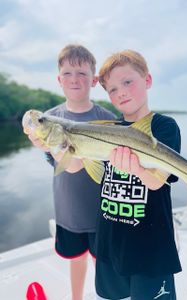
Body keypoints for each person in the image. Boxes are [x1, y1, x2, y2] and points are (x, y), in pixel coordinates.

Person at [23, 44, 115, 300]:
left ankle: (105, 296)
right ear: (59, 79)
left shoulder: (107, 119)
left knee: (102, 263)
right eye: (68, 73)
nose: (75, 79)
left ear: (94, 80)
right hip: (68, 209)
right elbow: (66, 166)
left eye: (82, 73)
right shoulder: (49, 120)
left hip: (103, 210)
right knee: (76, 259)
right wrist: (50, 145)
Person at [95, 50, 182, 300]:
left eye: (127, 82)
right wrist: (52, 146)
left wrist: (136, 168)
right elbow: (77, 166)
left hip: (151, 249)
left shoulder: (164, 127)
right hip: (110, 243)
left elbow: (157, 181)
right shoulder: (108, 130)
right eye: (111, 89)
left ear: (148, 80)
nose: (120, 92)